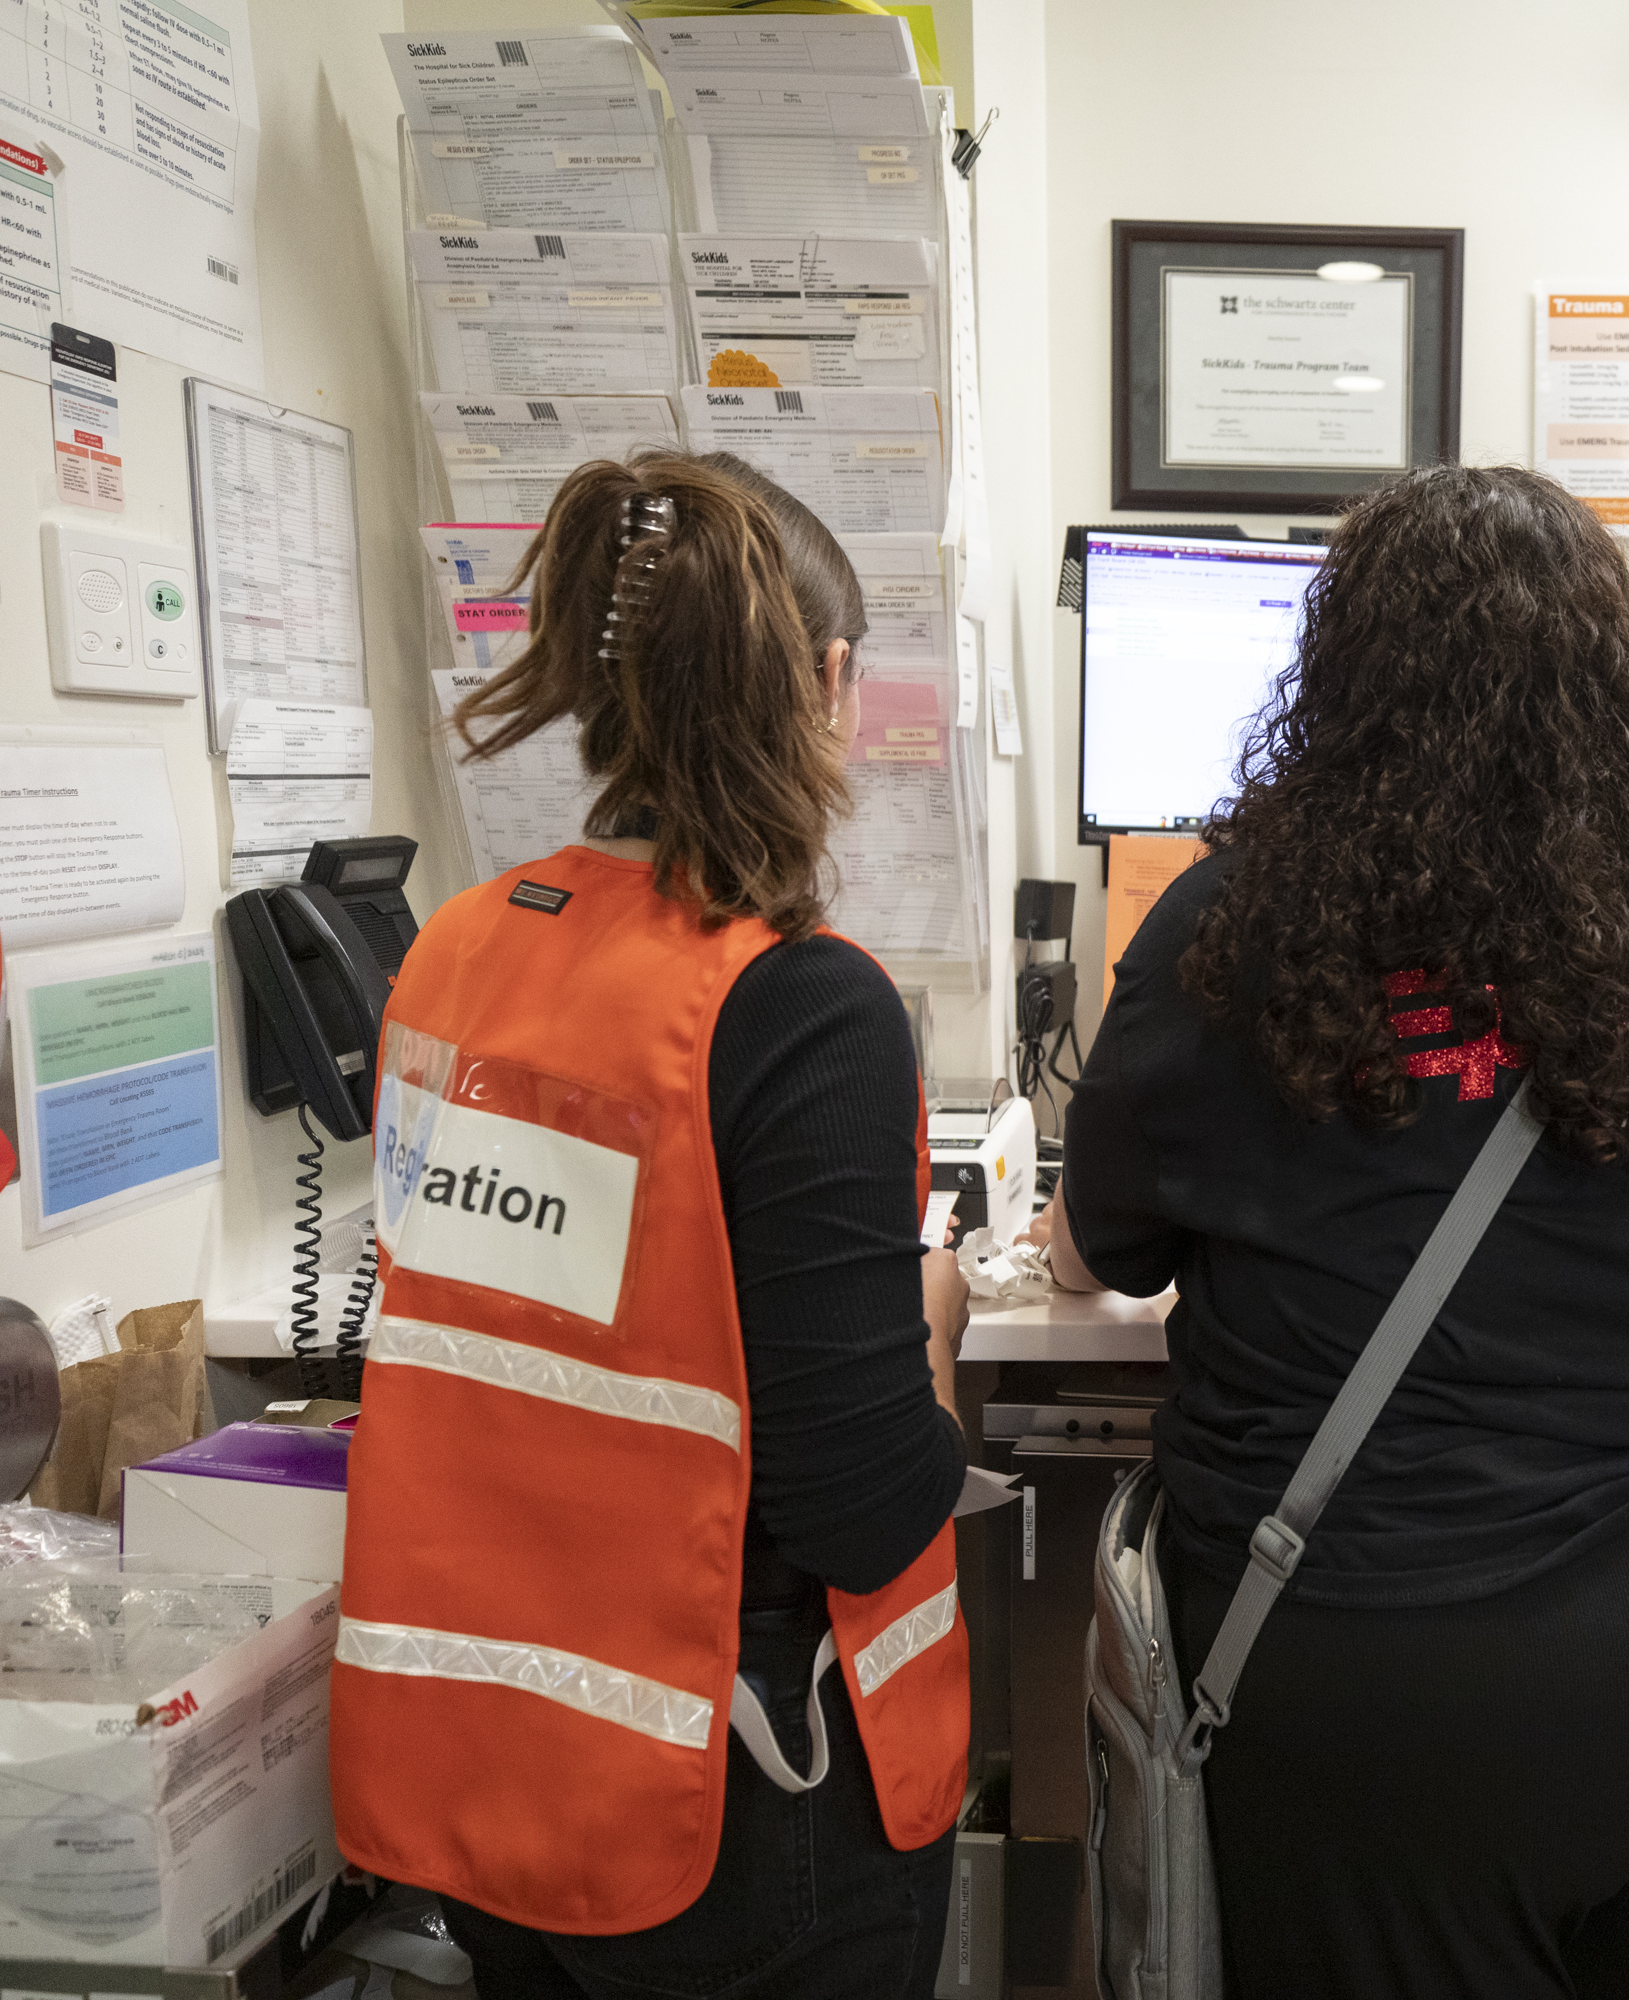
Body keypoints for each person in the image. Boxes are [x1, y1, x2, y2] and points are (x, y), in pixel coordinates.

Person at [1027, 463, 1629, 1999]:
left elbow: (1105, 1248)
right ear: (1625, 693)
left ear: (1343, 679)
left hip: (1392, 1642)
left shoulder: (1234, 925)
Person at [333, 450, 975, 1998]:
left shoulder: (456, 956)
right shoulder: (798, 1007)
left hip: (499, 1775)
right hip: (742, 1797)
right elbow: (863, 1507)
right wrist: (936, 1314)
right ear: (827, 684)